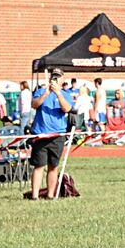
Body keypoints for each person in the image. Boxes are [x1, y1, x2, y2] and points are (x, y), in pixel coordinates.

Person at [29, 68, 73, 199]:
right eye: (53, 77)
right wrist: (46, 93)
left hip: (57, 135)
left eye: (58, 77)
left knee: (53, 166)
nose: (55, 79)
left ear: (62, 80)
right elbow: (34, 105)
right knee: (39, 165)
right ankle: (35, 196)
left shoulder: (65, 94)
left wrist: (58, 94)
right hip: (41, 134)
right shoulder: (40, 91)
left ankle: (50, 194)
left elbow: (67, 108)